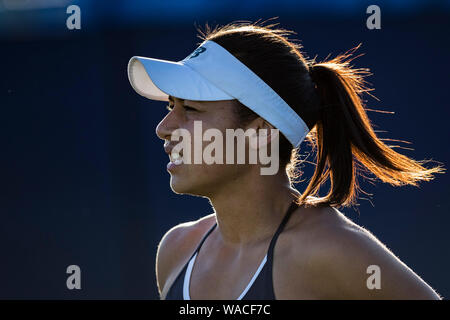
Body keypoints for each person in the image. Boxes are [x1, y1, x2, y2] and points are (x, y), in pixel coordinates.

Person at [127, 21, 445, 300]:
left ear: (262, 131)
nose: (163, 129)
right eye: (170, 107)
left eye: (191, 110)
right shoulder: (176, 250)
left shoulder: (331, 252)